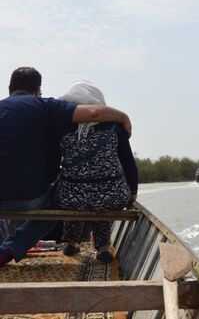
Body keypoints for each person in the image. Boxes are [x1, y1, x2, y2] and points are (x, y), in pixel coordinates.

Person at [0, 67, 132, 267]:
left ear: (10, 89)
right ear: (38, 90)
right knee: (61, 199)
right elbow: (95, 112)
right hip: (30, 199)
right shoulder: (46, 106)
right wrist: (124, 118)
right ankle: (11, 248)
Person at [53, 81, 138, 264]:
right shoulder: (116, 128)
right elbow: (129, 164)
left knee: (72, 191)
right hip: (112, 197)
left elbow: (52, 164)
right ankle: (103, 246)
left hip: (71, 198)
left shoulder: (61, 129)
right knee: (103, 194)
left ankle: (71, 242)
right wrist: (133, 193)